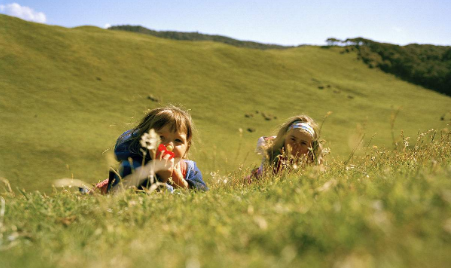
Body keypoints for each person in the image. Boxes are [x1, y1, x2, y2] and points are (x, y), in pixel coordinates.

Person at [94, 106, 208, 194]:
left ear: (186, 147)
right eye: (161, 137)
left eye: (178, 140)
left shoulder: (189, 169)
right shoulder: (135, 166)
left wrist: (180, 182)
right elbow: (133, 196)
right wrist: (162, 179)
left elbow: (202, 194)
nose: (169, 145)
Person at [248, 115, 323, 180]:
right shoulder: (273, 151)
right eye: (293, 139)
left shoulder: (308, 164)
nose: (296, 145)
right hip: (257, 182)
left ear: (310, 147)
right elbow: (263, 141)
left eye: (303, 143)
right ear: (285, 137)